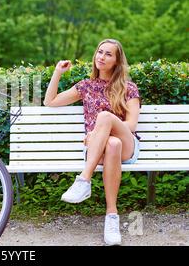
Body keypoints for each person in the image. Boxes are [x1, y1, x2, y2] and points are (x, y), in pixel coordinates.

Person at [43, 38, 141, 246]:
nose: (102, 57)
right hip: (102, 151)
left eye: (108, 54)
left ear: (117, 61)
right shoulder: (86, 86)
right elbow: (50, 102)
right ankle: (112, 217)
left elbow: (131, 125)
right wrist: (58, 72)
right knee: (112, 144)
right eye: (99, 52)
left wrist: (97, 131)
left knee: (106, 120)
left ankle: (84, 180)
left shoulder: (128, 88)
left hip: (127, 146)